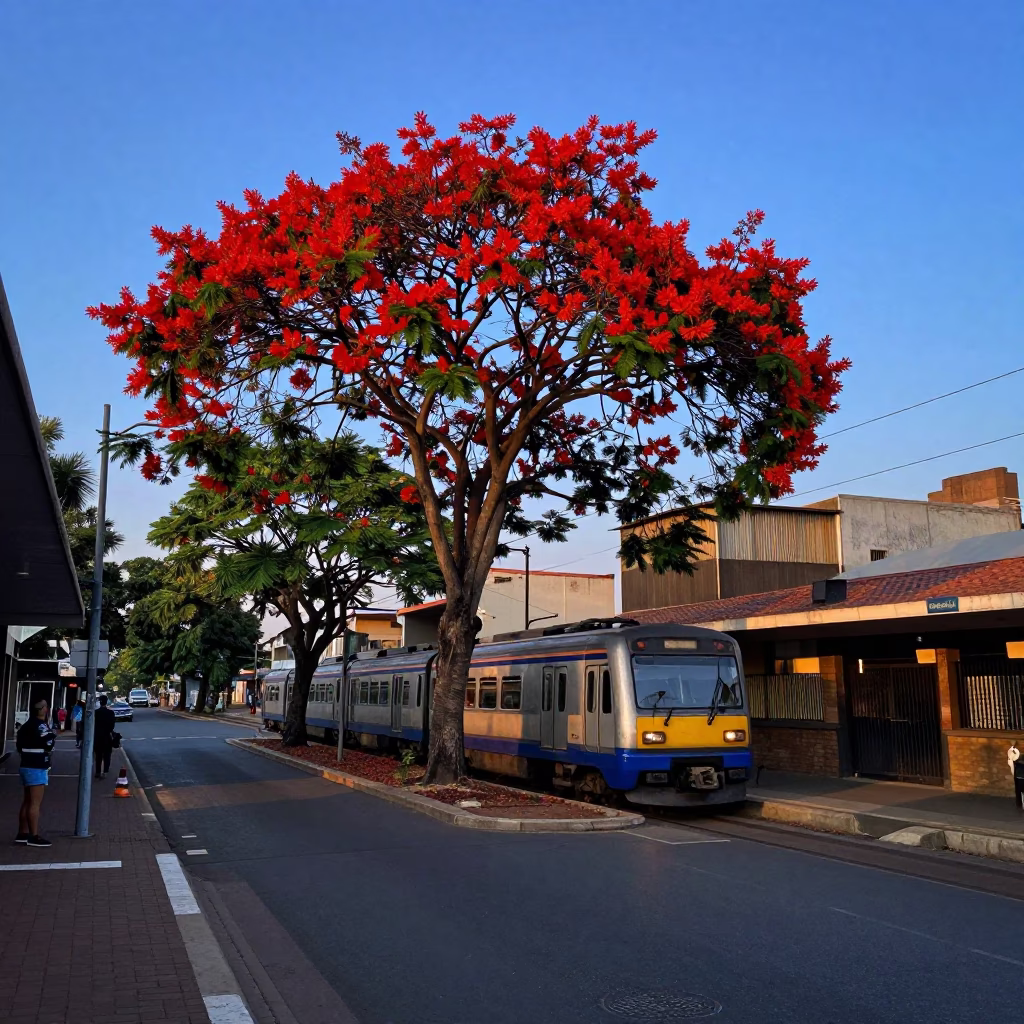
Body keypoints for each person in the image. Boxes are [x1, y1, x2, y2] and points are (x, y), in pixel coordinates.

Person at [15, 700, 56, 847]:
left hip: (25, 763)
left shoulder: (26, 726)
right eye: (46, 707)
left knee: (27, 800)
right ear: (43, 710)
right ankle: (34, 835)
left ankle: (22, 832)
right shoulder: (40, 726)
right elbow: (49, 742)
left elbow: (19, 746)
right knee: (35, 802)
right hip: (37, 765)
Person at [93, 695, 116, 779]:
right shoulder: (110, 713)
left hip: (97, 737)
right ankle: (105, 771)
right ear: (106, 702)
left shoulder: (96, 713)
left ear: (100, 702)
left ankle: (98, 772)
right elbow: (112, 726)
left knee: (98, 755)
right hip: (107, 737)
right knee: (107, 755)